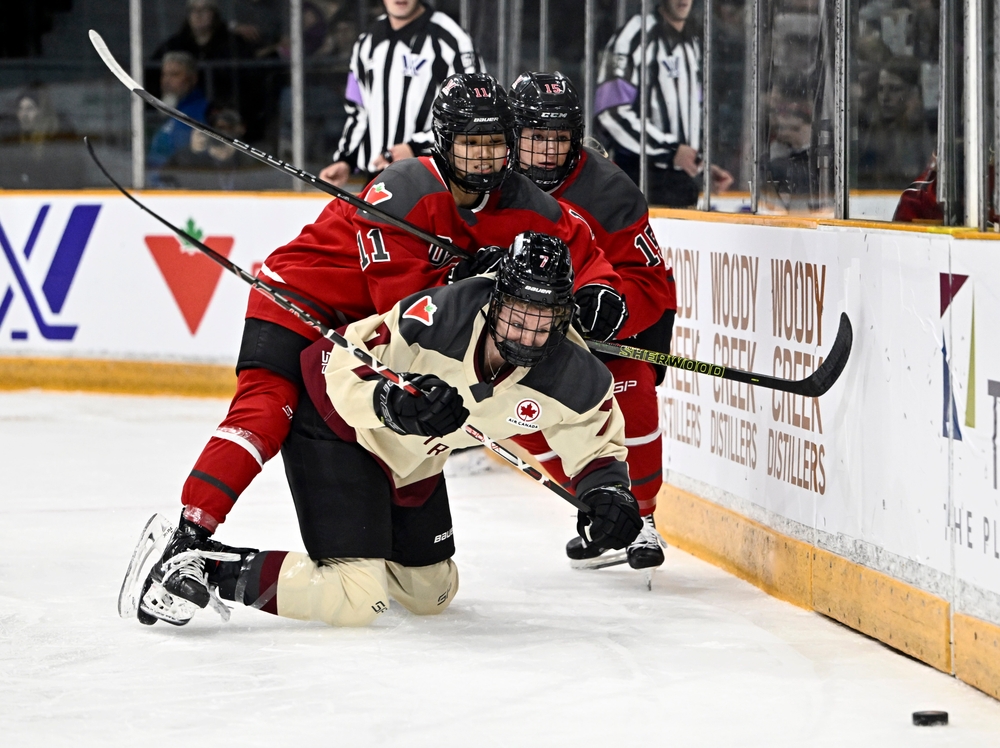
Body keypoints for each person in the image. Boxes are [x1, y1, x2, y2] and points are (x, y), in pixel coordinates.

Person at [125, 72, 629, 623]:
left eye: (495, 144)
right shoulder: (404, 189)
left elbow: (578, 249)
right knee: (268, 410)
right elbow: (407, 312)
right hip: (304, 298)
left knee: (423, 570)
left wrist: (599, 290)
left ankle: (368, 555)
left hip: (367, 328)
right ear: (444, 140)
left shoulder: (527, 205)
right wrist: (469, 273)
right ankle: (187, 536)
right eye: (470, 143)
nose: (484, 158)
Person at [127, 233, 643, 627]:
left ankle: (361, 547)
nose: (528, 333)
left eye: (544, 317)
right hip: (338, 425)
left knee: (432, 595)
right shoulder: (442, 315)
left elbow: (595, 446)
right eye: (517, 314)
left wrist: (609, 496)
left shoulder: (577, 375)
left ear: (563, 316)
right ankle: (199, 564)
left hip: (412, 462)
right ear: (495, 299)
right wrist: (392, 402)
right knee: (359, 598)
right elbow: (341, 359)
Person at [508, 71, 674, 571]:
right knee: (514, 414)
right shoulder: (490, 185)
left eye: (557, 138)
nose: (545, 151)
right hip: (523, 334)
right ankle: (601, 508)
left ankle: (641, 519)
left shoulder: (608, 192)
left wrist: (609, 308)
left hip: (603, 332)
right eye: (534, 137)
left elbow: (653, 284)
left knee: (630, 393)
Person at [318, 0, 484, 186]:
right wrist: (347, 160)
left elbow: (473, 110)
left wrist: (416, 148)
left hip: (433, 177)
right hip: (377, 179)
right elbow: (358, 109)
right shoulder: (367, 41)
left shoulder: (451, 39)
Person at [595, 0, 732, 207]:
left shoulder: (691, 40)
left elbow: (689, 113)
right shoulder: (634, 36)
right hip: (639, 180)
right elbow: (610, 113)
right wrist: (671, 151)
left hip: (681, 184)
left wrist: (699, 165)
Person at [147, 51, 209, 171]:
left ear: (192, 79)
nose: (167, 81)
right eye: (164, 75)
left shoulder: (203, 111)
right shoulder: (164, 111)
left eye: (174, 75)